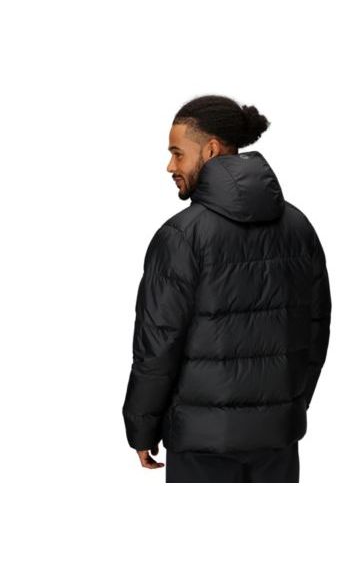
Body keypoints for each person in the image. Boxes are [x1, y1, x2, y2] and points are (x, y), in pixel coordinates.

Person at [122, 94, 332, 482]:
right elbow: (316, 330)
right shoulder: (299, 227)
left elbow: (157, 345)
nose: (170, 166)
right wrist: (288, 406)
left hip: (201, 447)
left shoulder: (181, 237)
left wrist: (142, 427)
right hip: (278, 443)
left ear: (211, 150)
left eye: (177, 154)